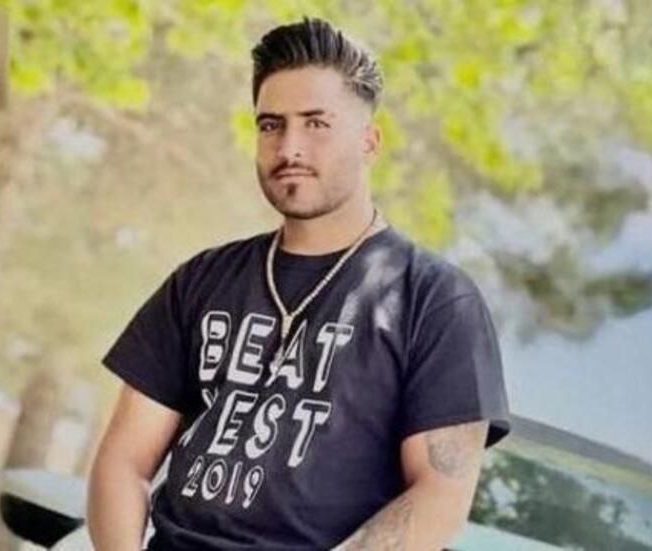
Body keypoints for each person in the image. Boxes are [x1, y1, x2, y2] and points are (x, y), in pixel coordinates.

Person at [87, 16, 511, 551]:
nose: (290, 147)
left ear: (369, 141)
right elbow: (124, 461)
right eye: (271, 125)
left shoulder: (435, 302)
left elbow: (439, 497)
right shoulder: (201, 281)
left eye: (316, 124)